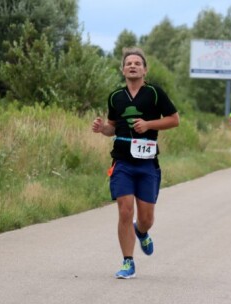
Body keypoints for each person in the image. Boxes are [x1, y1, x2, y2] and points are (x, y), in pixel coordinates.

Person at [91, 47, 179, 279]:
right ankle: (128, 262)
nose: (132, 66)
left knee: (147, 219)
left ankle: (141, 232)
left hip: (147, 163)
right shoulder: (115, 97)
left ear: (144, 69)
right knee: (124, 210)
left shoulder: (155, 93)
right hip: (122, 163)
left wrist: (149, 125)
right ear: (122, 69)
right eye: (128, 63)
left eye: (137, 63)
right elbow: (112, 127)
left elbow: (174, 120)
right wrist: (102, 129)